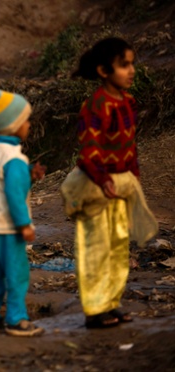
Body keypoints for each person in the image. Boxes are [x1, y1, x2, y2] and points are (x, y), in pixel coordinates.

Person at [63, 37, 157, 329]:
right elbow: (89, 149)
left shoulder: (128, 103)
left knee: (118, 247)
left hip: (121, 184)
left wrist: (133, 180)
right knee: (95, 248)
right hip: (96, 186)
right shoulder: (95, 106)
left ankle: (111, 302)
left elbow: (130, 146)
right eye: (124, 65)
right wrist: (102, 179)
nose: (131, 71)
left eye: (132, 65)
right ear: (104, 71)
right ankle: (94, 309)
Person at [0, 87, 46, 337]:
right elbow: (14, 196)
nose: (28, 124)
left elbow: (0, 184)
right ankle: (16, 320)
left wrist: (30, 176)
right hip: (9, 229)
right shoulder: (15, 159)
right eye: (25, 120)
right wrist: (25, 225)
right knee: (17, 275)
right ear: (14, 125)